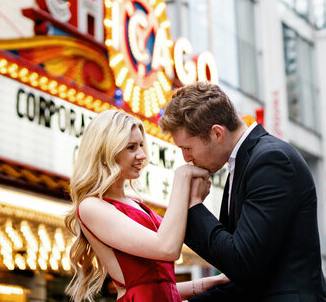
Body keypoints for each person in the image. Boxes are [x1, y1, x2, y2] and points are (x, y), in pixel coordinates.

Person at [158, 82, 326, 302]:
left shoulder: (271, 161)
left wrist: (194, 207)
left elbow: (241, 263)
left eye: (187, 148)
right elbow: (248, 278)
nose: (186, 158)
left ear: (217, 133)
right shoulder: (244, 163)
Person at [67, 109, 231, 302]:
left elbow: (159, 286)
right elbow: (167, 248)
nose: (142, 155)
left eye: (141, 146)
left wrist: (213, 282)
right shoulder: (91, 207)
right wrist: (182, 178)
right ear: (106, 151)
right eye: (131, 147)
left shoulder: (135, 204)